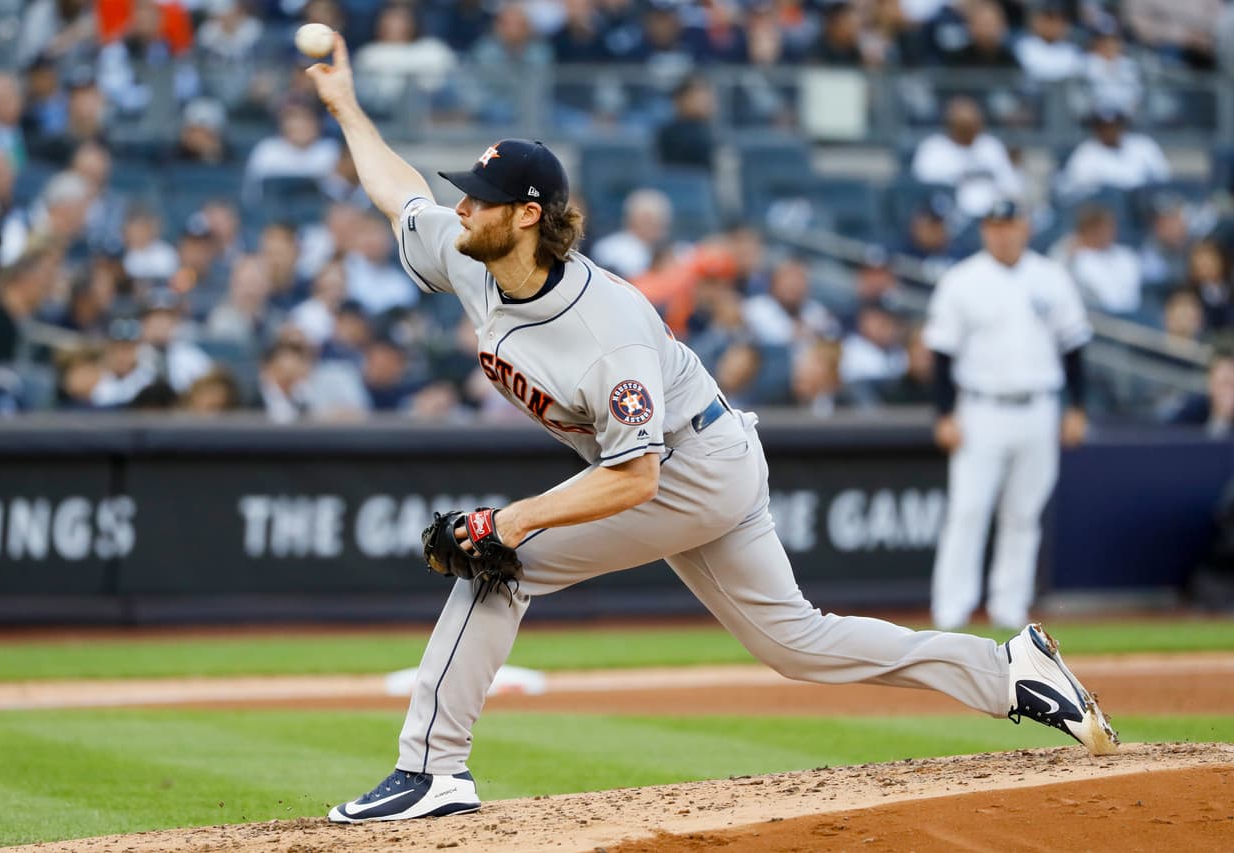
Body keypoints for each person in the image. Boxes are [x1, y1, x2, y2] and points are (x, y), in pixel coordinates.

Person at [305, 38, 1118, 824]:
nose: (460, 206)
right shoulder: (467, 252)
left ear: (525, 216)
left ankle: (432, 768)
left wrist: (507, 521)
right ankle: (1007, 671)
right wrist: (346, 108)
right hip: (698, 454)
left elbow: (636, 479)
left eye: (478, 197)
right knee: (798, 642)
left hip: (689, 464)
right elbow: (399, 194)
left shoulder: (608, 326)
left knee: (500, 563)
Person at [924, 200, 1091, 633]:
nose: (1003, 233)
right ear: (984, 230)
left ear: (1026, 226)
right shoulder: (962, 281)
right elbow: (941, 355)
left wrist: (1078, 407)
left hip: (1039, 405)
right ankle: (951, 610)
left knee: (1024, 513)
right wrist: (944, 413)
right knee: (969, 509)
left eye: (1010, 224)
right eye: (994, 225)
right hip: (981, 407)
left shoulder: (1051, 277)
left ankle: (1009, 609)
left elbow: (1074, 348)